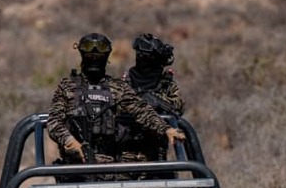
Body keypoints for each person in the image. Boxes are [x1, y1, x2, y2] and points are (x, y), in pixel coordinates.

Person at [46, 33, 185, 169]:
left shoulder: (117, 87)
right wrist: (71, 142)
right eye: (89, 52)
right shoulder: (67, 86)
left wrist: (166, 129)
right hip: (75, 168)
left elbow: (141, 110)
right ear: (82, 53)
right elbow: (54, 122)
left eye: (100, 53)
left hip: (111, 170)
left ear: (107, 56)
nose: (94, 57)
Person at [120, 33, 185, 162]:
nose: (140, 58)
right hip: (124, 155)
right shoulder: (123, 83)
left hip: (156, 156)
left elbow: (177, 108)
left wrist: (154, 101)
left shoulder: (166, 85)